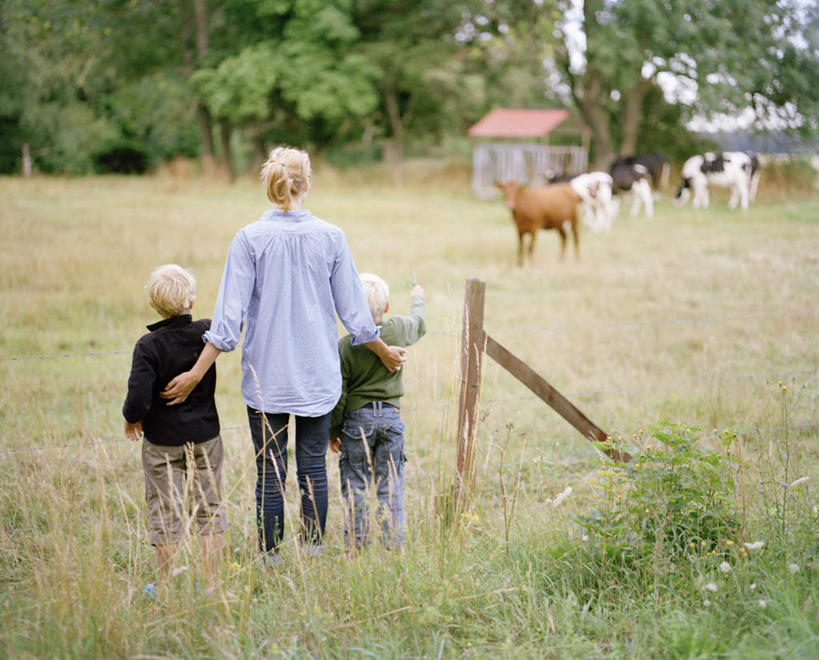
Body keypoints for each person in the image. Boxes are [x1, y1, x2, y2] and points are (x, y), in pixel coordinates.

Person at [160, 146, 406, 564]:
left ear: (270, 185)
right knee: (313, 471)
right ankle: (310, 554)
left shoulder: (249, 239)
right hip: (316, 377)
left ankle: (271, 560)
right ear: (306, 184)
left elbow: (226, 322)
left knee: (270, 476)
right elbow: (356, 317)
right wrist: (384, 353)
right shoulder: (330, 236)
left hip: (266, 380)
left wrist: (196, 373)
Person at [122, 264, 225, 588]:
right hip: (206, 436)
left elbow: (138, 396)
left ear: (152, 305)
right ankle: (211, 584)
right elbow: (230, 326)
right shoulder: (206, 332)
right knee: (210, 508)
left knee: (165, 511)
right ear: (191, 302)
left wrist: (131, 418)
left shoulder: (148, 346)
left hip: (162, 443)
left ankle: (165, 584)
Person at [329, 274, 426, 550]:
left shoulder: (346, 345)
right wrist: (417, 298)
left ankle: (356, 549)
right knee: (390, 488)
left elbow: (341, 394)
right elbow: (419, 323)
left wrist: (334, 431)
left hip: (356, 422)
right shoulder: (397, 329)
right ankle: (394, 548)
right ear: (386, 307)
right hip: (391, 419)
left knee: (355, 486)